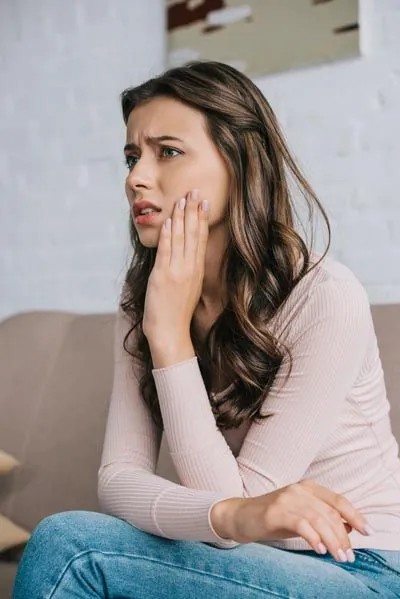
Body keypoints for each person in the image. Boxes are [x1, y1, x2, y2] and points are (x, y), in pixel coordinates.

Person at [13, 61, 400, 598]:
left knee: (71, 546)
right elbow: (120, 480)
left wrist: (169, 337)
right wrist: (162, 320)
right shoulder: (144, 299)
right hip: (248, 569)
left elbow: (235, 516)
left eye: (167, 151)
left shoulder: (324, 297)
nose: (135, 178)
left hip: (366, 569)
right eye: (132, 156)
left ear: (239, 163)